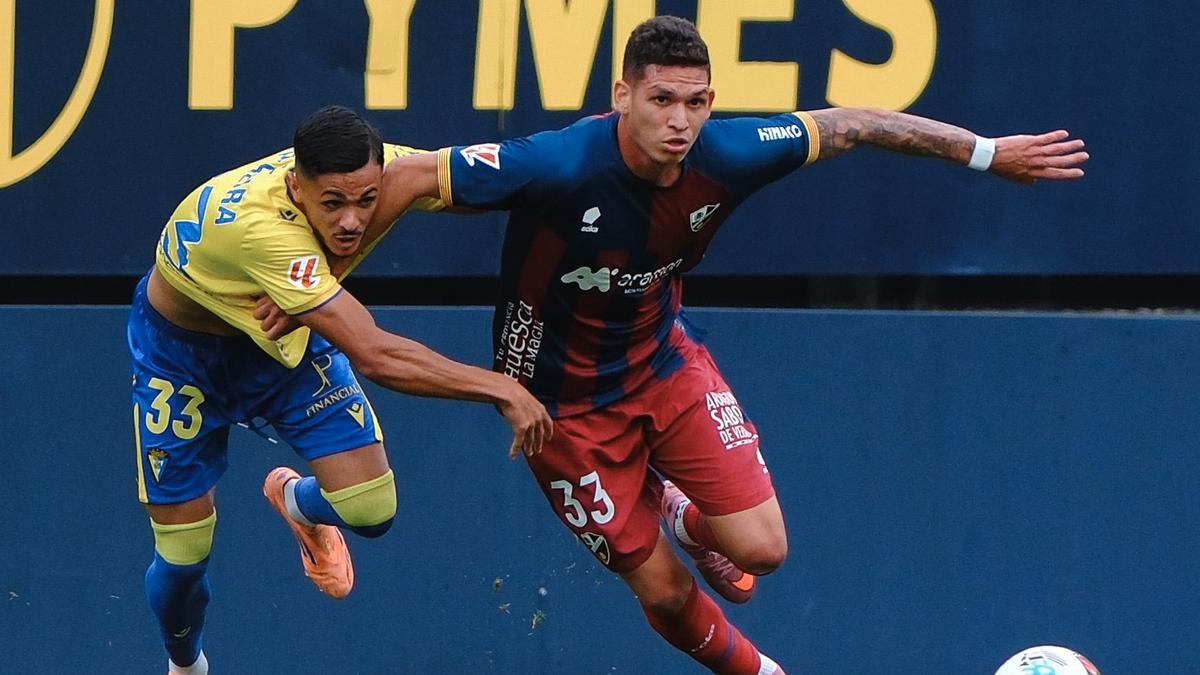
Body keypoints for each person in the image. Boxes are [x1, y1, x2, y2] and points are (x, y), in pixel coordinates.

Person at [273, 17, 1088, 674]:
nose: (679, 120)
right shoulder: (558, 163)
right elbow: (410, 177)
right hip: (559, 409)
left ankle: (686, 514)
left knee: (762, 549)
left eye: (696, 102)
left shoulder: (727, 154)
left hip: (662, 365)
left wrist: (987, 153)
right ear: (621, 93)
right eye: (661, 99)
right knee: (662, 592)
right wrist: (323, 278)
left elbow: (856, 123)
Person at [128, 105, 553, 675]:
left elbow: (486, 173)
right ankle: (186, 666)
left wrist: (599, 160)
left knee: (372, 511)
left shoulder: (380, 171)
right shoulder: (262, 232)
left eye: (366, 200)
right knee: (184, 558)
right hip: (183, 360)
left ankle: (298, 503)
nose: (352, 221)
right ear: (295, 188)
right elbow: (375, 354)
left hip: (289, 342)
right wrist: (500, 387)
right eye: (333, 204)